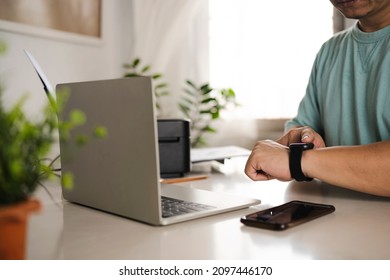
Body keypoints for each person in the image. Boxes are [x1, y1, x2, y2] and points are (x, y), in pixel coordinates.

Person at [244, 0, 390, 197]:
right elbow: (301, 128)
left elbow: (296, 161)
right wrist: (300, 137)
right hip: (337, 215)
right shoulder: (330, 50)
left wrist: (298, 161)